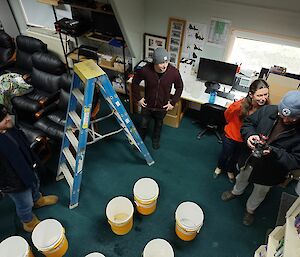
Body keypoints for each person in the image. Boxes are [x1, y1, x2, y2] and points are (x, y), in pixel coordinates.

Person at [221, 90, 300, 226]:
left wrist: (274, 153)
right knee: (241, 177)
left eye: (292, 118)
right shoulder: (268, 110)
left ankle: (250, 210)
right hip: (249, 159)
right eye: (282, 115)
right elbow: (248, 123)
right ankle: (236, 192)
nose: (286, 120)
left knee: (260, 191)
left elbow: (296, 160)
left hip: (270, 170)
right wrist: (250, 135)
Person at [0, 104, 58, 232]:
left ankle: (38, 200)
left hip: (27, 169)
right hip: (14, 183)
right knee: (24, 203)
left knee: (35, 185)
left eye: (7, 115)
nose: (9, 118)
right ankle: (28, 222)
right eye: (3, 119)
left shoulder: (10, 128)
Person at [214, 79, 270, 182]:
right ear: (251, 94)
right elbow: (227, 115)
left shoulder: (266, 109)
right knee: (225, 154)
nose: (263, 99)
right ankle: (220, 167)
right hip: (231, 136)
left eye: (266, 95)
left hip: (245, 139)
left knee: (236, 156)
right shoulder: (238, 106)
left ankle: (230, 170)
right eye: (259, 95)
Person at [131, 47, 183, 149]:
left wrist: (173, 103)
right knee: (143, 124)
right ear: (154, 62)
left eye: (166, 61)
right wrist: (138, 98)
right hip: (147, 105)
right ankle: (140, 142)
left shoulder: (174, 72)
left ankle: (155, 140)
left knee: (158, 125)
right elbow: (135, 82)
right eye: (161, 62)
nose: (164, 65)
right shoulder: (145, 70)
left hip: (162, 106)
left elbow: (180, 87)